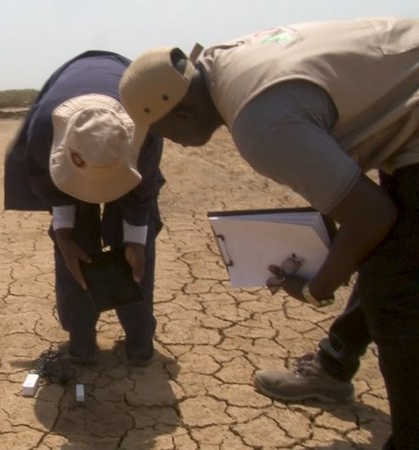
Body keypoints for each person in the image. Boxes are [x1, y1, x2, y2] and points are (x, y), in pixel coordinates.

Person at [118, 17, 418, 448]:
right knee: (388, 257)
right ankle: (334, 367)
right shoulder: (227, 58)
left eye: (163, 135)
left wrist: (318, 287)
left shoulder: (258, 124)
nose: (173, 145)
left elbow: (373, 218)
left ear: (181, 113)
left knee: (399, 298)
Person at [4, 50, 166, 367]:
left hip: (123, 139)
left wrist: (135, 242)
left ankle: (138, 341)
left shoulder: (145, 123)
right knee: (75, 245)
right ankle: (82, 342)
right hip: (67, 141)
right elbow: (52, 187)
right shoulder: (44, 130)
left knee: (137, 254)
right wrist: (64, 237)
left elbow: (140, 194)